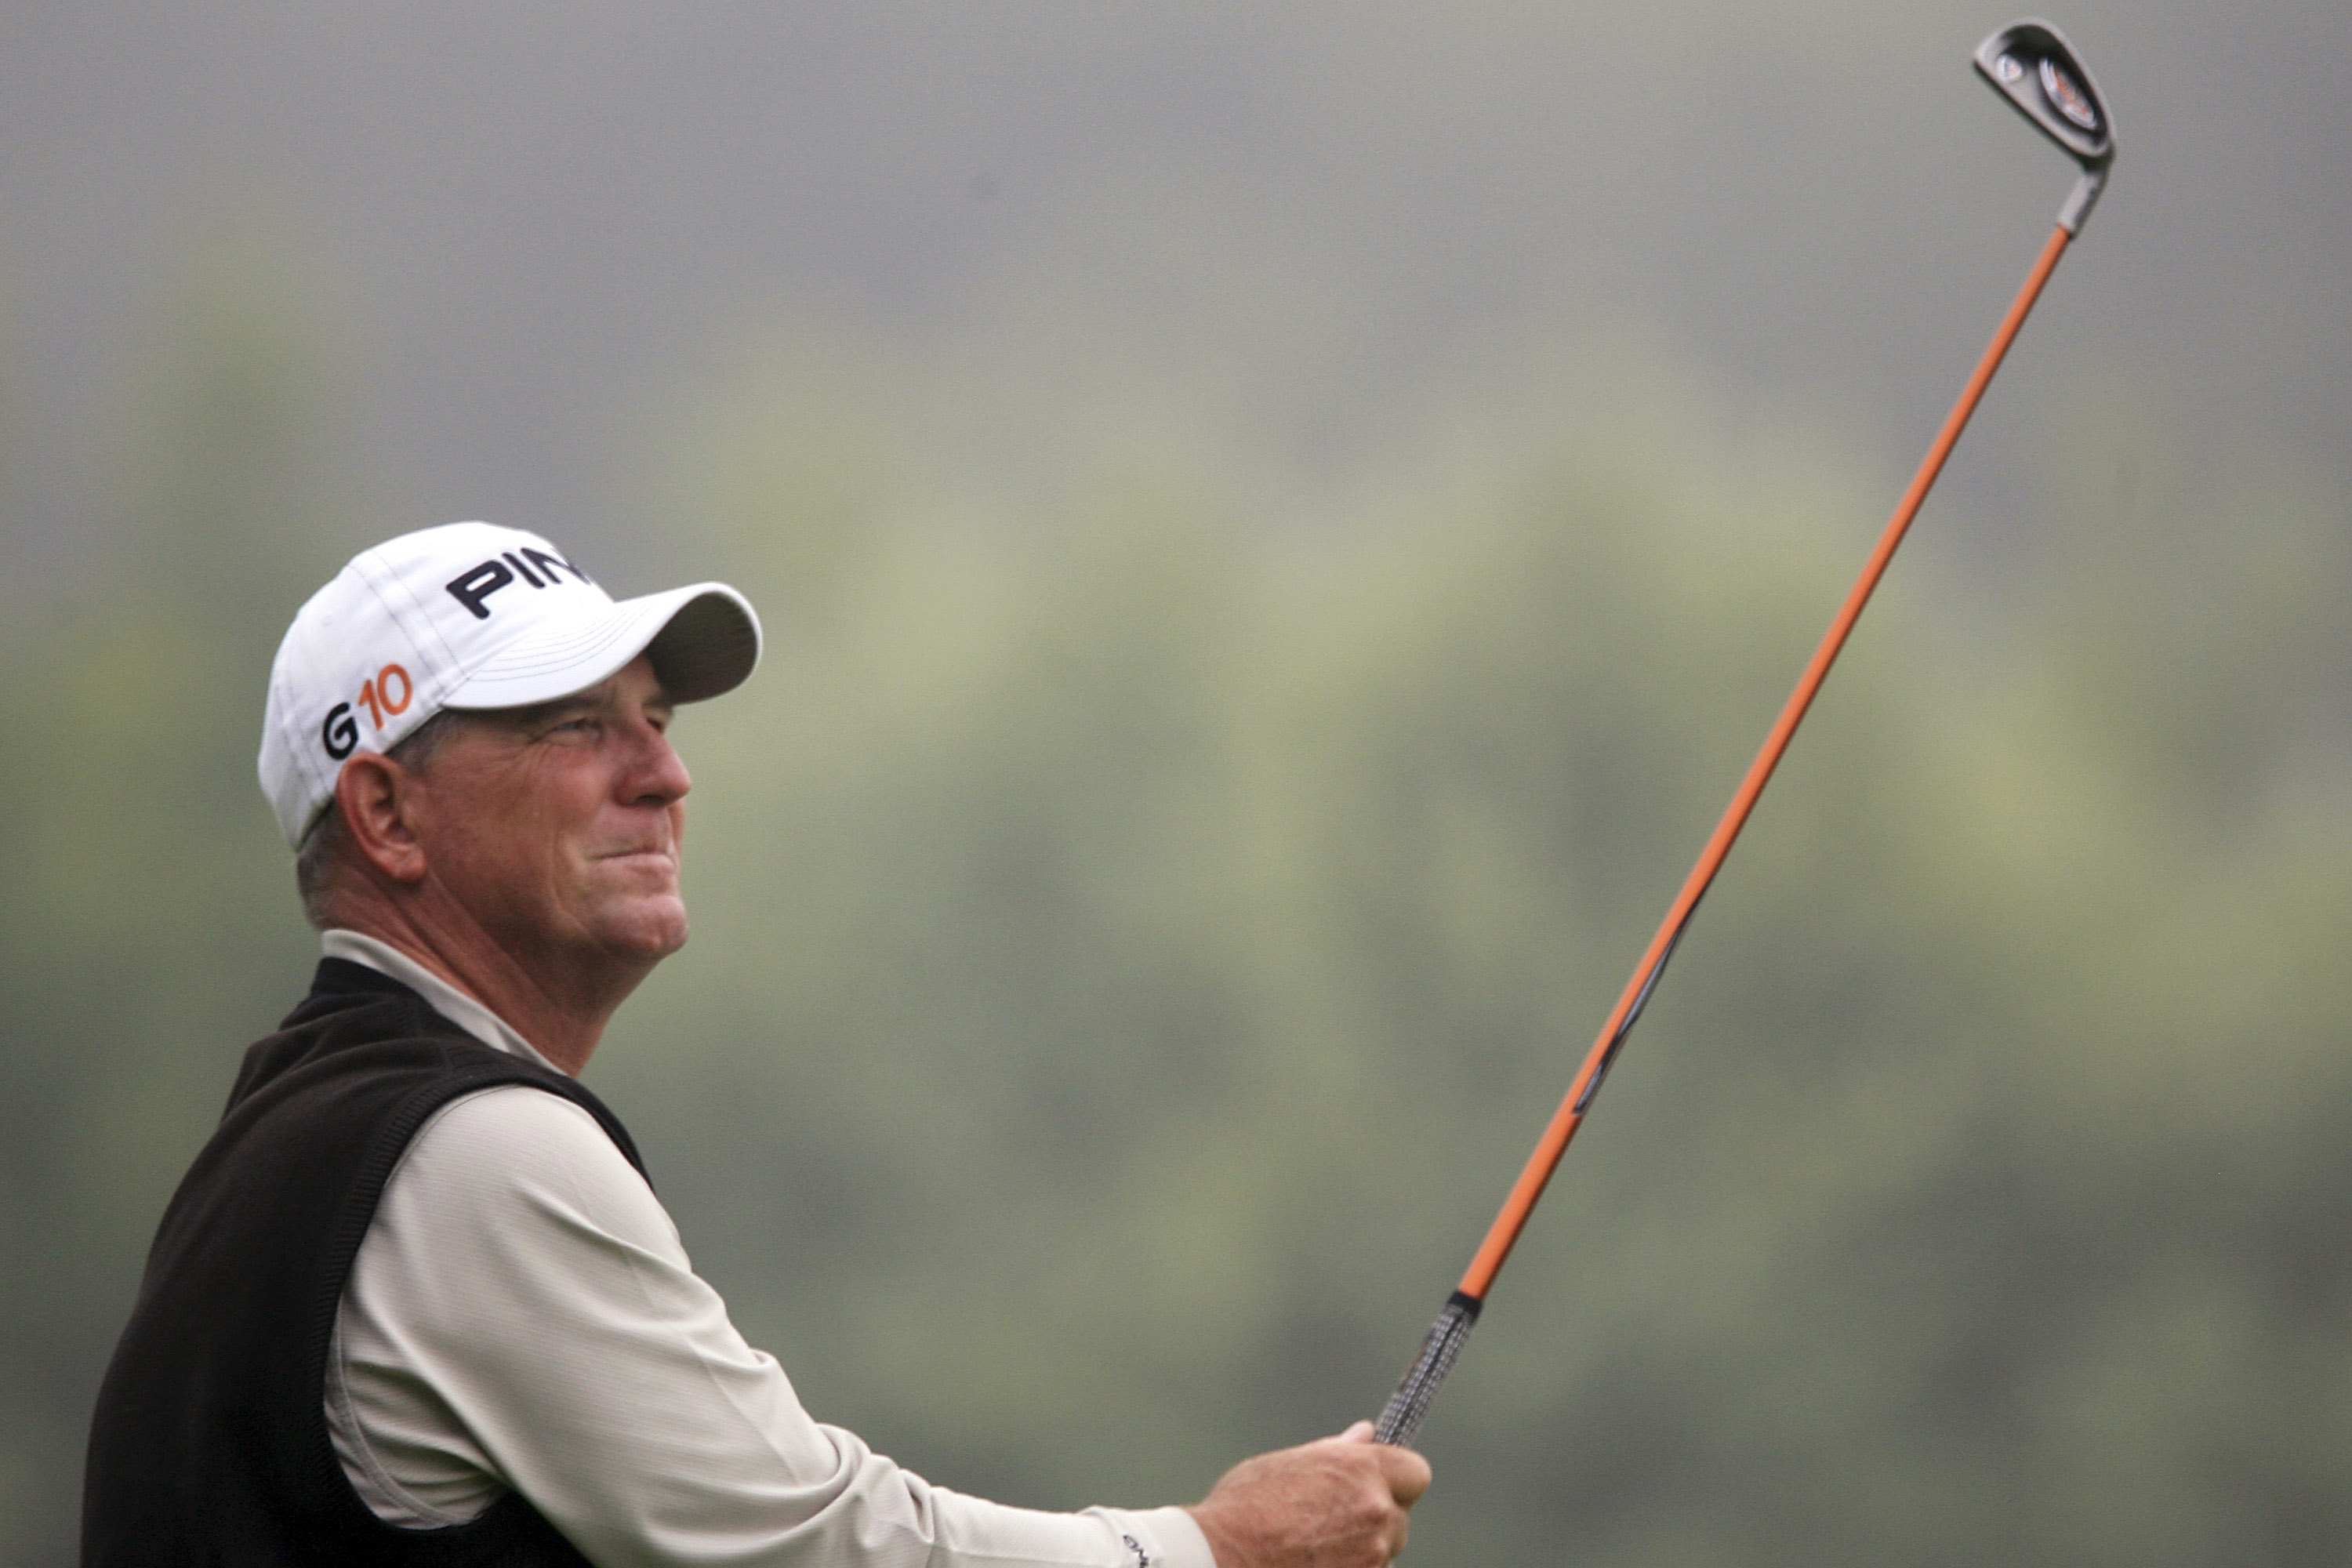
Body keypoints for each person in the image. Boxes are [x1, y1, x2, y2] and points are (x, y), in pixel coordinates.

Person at [82, 522, 1431, 1567]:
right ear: (387, 816)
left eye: (655, 722)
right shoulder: (467, 1155)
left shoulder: (295, 1136)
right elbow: (820, 1546)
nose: (666, 776)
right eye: (574, 728)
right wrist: (1210, 1549)